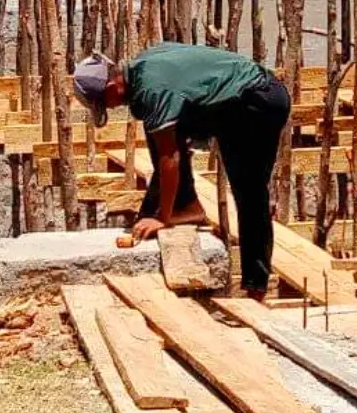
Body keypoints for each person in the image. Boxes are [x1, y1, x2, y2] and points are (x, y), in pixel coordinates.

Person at [72, 42, 291, 300]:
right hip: (232, 100)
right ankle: (187, 206)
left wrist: (162, 218)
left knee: (249, 192)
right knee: (160, 127)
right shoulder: (143, 67)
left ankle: (255, 287)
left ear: (112, 87)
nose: (109, 108)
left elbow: (170, 157)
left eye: (104, 104)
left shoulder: (152, 89)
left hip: (258, 102)